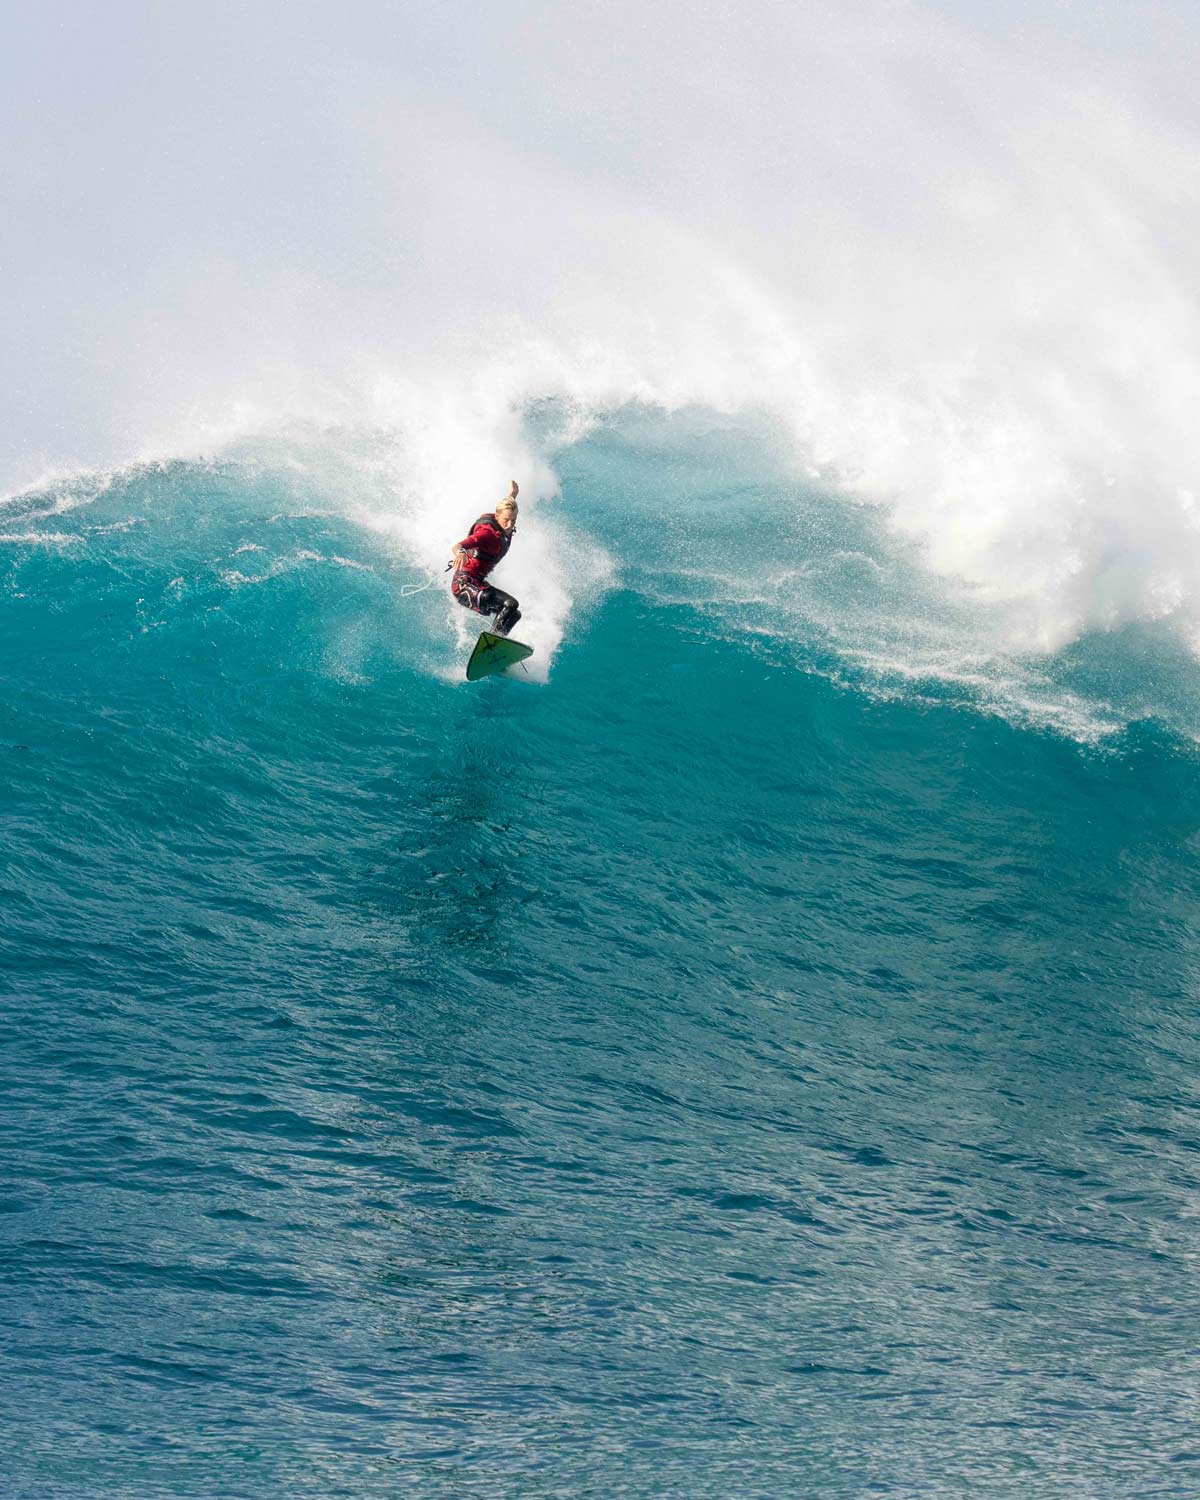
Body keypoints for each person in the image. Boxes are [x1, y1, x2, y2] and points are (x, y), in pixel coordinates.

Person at [449, 481, 522, 635]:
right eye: (506, 520)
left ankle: (498, 641)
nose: (509, 525)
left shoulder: (503, 519)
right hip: (464, 586)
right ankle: (492, 641)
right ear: (497, 517)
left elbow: (505, 507)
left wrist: (513, 494)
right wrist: (461, 552)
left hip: (478, 584)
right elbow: (458, 545)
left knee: (514, 614)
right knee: (510, 604)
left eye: (513, 520)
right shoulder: (487, 534)